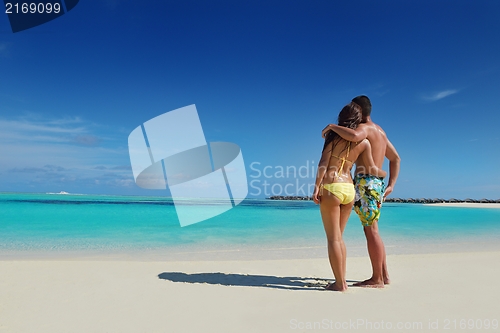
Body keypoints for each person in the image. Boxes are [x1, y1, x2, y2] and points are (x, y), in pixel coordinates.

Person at [322, 95, 401, 288]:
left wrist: (332, 127)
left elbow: (355, 137)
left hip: (365, 182)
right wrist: (391, 184)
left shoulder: (363, 129)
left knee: (370, 230)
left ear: (358, 110)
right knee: (374, 229)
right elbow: (395, 158)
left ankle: (377, 279)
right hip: (376, 183)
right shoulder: (381, 132)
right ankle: (384, 274)